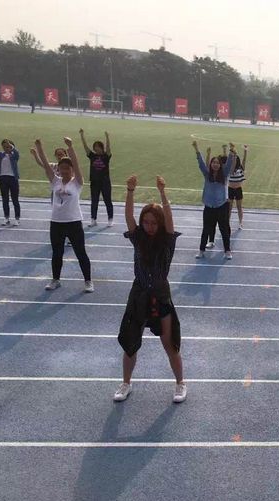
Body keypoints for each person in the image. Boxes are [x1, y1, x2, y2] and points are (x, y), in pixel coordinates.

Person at [114, 174, 186, 403]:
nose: (150, 226)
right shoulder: (138, 238)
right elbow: (128, 217)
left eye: (154, 223)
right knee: (131, 343)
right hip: (139, 294)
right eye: (146, 222)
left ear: (160, 223)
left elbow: (170, 219)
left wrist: (163, 193)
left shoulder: (167, 240)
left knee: (169, 343)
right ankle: (126, 383)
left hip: (161, 295)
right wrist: (130, 191)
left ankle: (180, 383)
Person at [33, 137, 93, 293]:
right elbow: (45, 164)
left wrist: (70, 147)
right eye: (62, 168)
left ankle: (88, 281)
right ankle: (56, 280)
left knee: (80, 253)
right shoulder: (55, 181)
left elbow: (77, 164)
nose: (64, 170)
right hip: (56, 222)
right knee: (57, 253)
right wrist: (39, 147)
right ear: (58, 169)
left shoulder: (77, 183)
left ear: (72, 170)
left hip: (74, 222)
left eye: (67, 168)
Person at [192, 140, 234, 260]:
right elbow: (201, 164)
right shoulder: (207, 175)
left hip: (222, 207)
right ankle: (201, 250)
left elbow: (229, 164)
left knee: (224, 229)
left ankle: (227, 251)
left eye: (217, 163)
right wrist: (197, 149)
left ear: (220, 165)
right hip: (209, 207)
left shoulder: (224, 175)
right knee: (206, 229)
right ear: (210, 164)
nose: (215, 164)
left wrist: (231, 151)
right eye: (213, 162)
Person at [79, 129, 113, 227]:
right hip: (94, 182)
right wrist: (82, 135)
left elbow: (108, 148)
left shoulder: (106, 156)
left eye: (98, 147)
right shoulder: (92, 156)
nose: (96, 148)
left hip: (105, 182)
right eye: (95, 147)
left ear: (101, 148)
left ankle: (110, 219)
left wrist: (107, 137)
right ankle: (93, 219)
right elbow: (85, 147)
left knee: (107, 201)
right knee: (94, 201)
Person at [0, 138, 21, 226]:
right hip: (3, 179)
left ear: (11, 147)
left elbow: (16, 153)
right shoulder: (1, 155)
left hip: (13, 179)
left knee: (15, 199)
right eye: (4, 147)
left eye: (7, 146)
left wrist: (10, 145)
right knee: (5, 199)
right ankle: (6, 218)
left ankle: (17, 218)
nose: (6, 148)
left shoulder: (14, 155)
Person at [227, 144, 248, 230]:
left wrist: (245, 151)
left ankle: (240, 222)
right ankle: (227, 223)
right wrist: (232, 152)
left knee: (239, 207)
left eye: (235, 159)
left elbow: (244, 160)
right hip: (230, 189)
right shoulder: (230, 170)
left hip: (238, 189)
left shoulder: (241, 169)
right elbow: (230, 161)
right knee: (229, 208)